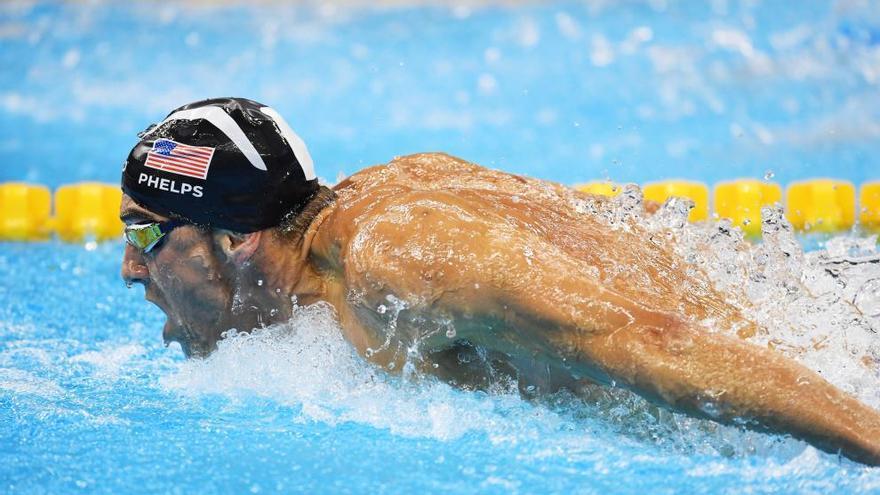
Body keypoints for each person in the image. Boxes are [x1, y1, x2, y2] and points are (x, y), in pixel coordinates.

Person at [120, 97, 880, 465]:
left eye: (145, 233)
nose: (130, 270)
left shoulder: (396, 260)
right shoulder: (383, 201)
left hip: (843, 354)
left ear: (238, 236)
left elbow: (652, 337)